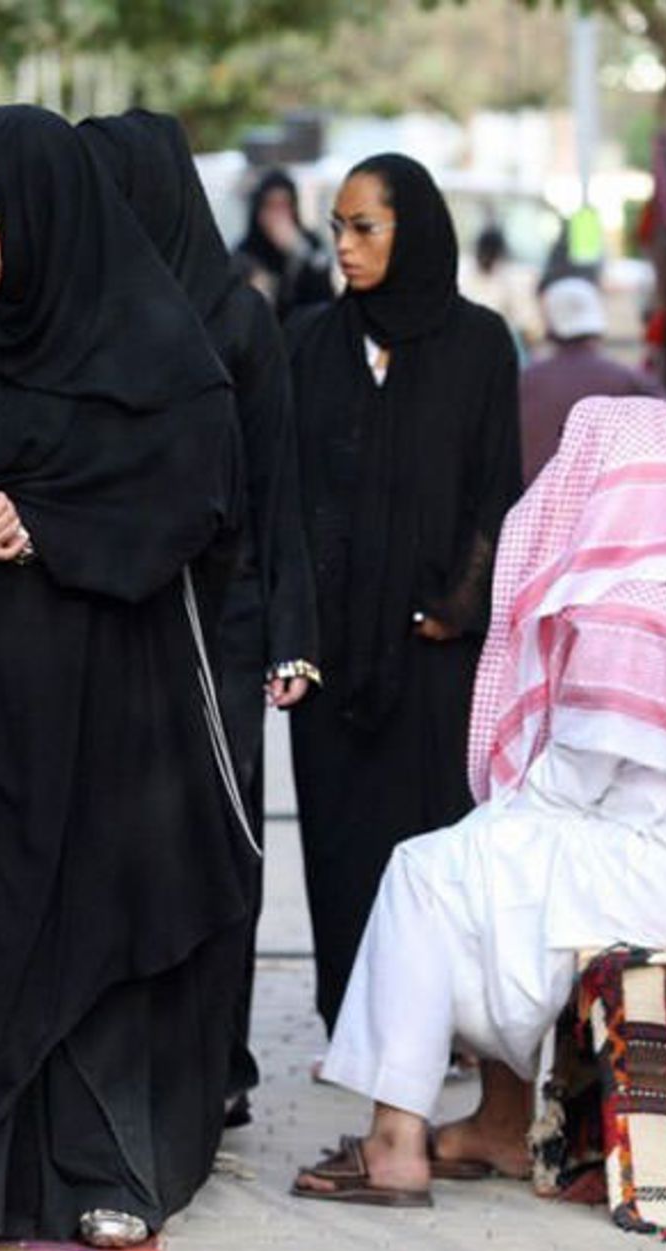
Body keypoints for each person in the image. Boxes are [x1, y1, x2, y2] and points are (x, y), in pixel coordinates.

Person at [0, 104, 255, 1251]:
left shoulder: (161, 349)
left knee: (103, 930)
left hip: (116, 711)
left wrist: (36, 530)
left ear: (46, 212)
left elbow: (194, 500)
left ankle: (106, 1166)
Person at [292, 394, 666, 1206]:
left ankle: (393, 1142)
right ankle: (497, 1121)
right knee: (488, 867)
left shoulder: (628, 599)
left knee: (428, 871)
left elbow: (575, 776)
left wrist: (494, 818)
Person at [78, 109, 319, 1127]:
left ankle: (216, 1057)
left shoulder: (236, 316)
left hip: (222, 627)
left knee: (217, 838)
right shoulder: (85, 308)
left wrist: (289, 634)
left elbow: (277, 484)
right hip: (112, 622)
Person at [284, 153, 522, 1059]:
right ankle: (355, 1021)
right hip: (334, 652)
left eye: (364, 227)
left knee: (429, 845)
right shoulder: (309, 343)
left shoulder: (478, 344)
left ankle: (439, 1027)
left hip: (432, 652)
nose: (343, 245)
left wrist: (456, 608)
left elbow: (495, 489)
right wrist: (296, 632)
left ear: (411, 230)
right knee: (341, 846)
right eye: (337, 227)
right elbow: (286, 494)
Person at [518, 276, 666, 485]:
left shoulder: (523, 382)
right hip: (607, 509)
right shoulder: (626, 379)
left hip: (528, 507)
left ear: (549, 325)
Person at [233, 168, 336, 321]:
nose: (278, 215)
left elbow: (325, 295)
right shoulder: (244, 253)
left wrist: (299, 251)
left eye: (284, 205)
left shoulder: (309, 242)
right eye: (271, 206)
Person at [459, 224, 542, 359]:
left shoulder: (513, 277)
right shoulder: (462, 272)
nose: (487, 260)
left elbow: (529, 327)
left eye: (490, 256)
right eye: (484, 255)